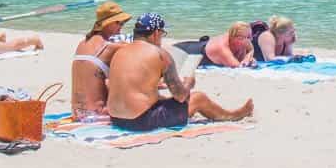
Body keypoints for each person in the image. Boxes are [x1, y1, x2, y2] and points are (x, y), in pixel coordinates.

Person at [107, 13, 253, 132]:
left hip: (115, 119)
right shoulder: (160, 54)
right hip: (139, 122)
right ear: (156, 33)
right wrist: (188, 83)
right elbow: (181, 96)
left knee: (162, 98)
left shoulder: (120, 51)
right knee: (198, 98)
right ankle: (233, 115)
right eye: (162, 33)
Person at [71, 2, 132, 119]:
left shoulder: (82, 43)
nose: (122, 26)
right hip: (97, 115)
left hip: (77, 114)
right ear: (107, 23)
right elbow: (141, 49)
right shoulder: (109, 47)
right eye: (119, 22)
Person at [174, 22, 255, 68]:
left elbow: (251, 49)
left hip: (203, 45)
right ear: (236, 38)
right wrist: (248, 59)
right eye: (247, 37)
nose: (250, 40)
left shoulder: (244, 40)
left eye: (251, 36)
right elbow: (237, 67)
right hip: (188, 51)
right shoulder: (222, 47)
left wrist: (248, 56)